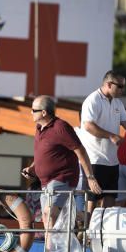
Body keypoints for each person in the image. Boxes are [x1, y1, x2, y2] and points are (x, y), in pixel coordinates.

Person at [22, 96, 101, 238]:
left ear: (44, 112)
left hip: (62, 178)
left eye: (34, 110)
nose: (31, 113)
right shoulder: (39, 128)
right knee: (50, 218)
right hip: (45, 182)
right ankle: (89, 219)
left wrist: (90, 177)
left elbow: (81, 151)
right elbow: (43, 154)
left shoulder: (61, 127)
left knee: (48, 213)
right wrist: (32, 169)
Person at [78, 71, 126, 211]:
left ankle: (102, 232)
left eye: (124, 86)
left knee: (110, 202)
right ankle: (87, 231)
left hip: (113, 161)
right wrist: (111, 136)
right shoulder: (93, 100)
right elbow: (88, 125)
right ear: (108, 84)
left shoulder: (118, 102)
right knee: (91, 202)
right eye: (120, 86)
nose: (122, 90)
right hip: (95, 160)